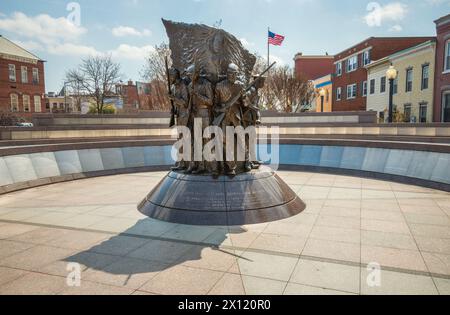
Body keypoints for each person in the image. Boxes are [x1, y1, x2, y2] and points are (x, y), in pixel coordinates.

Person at [215, 63, 248, 175]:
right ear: (227, 74)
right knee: (225, 141)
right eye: (230, 73)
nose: (232, 76)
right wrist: (221, 109)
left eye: (234, 74)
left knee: (241, 137)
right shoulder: (219, 86)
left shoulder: (240, 86)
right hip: (224, 116)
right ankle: (231, 166)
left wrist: (244, 97)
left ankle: (247, 160)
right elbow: (215, 106)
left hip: (236, 115)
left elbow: (245, 104)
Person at [185, 65, 215, 175]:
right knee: (197, 141)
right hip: (195, 114)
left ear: (196, 73)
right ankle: (200, 166)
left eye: (190, 74)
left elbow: (210, 101)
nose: (189, 77)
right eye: (188, 75)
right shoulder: (189, 86)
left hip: (205, 113)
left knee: (207, 140)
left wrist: (197, 94)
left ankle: (212, 167)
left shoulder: (206, 84)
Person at [168, 67, 190, 171]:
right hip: (179, 115)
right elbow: (177, 104)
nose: (169, 78)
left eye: (171, 76)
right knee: (180, 139)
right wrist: (174, 110)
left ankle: (186, 163)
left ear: (175, 76)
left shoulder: (182, 85)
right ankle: (181, 162)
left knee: (184, 140)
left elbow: (185, 102)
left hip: (185, 116)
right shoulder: (173, 87)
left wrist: (174, 98)